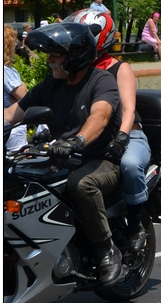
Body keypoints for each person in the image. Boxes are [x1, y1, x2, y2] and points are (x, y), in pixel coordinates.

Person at [4, 22, 124, 285]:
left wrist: (78, 141)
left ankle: (106, 250)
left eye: (56, 56)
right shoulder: (51, 85)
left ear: (76, 57)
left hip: (100, 158)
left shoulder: (101, 81)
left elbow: (101, 116)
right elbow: (12, 114)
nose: (49, 61)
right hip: (61, 157)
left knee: (81, 185)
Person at [81, 9, 152, 252]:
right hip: (95, 140)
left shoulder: (119, 68)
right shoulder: (79, 71)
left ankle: (135, 223)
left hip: (130, 135)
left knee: (130, 165)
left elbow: (129, 109)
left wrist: (122, 136)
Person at [4, 24, 28, 152]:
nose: (16, 45)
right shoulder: (5, 71)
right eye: (13, 42)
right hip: (12, 126)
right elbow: (25, 97)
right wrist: (23, 85)